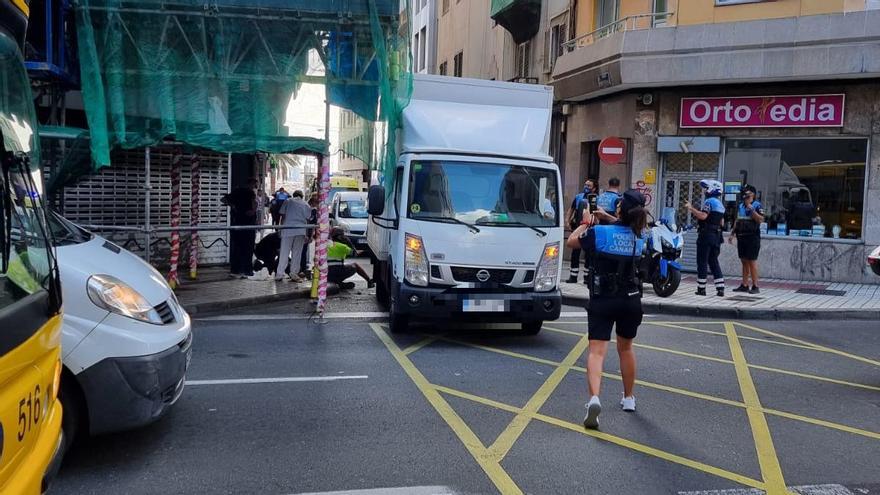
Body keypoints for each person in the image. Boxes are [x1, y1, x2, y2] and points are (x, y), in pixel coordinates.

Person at [566, 190, 648, 429]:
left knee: (597, 352)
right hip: (631, 300)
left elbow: (572, 242)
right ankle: (629, 398)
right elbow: (626, 228)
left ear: (620, 209)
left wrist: (585, 222)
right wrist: (609, 217)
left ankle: (594, 398)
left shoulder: (599, 232)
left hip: (603, 298)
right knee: (626, 348)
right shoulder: (638, 237)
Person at [686, 179, 726, 297]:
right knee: (713, 261)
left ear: (711, 189)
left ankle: (701, 289)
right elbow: (722, 223)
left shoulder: (709, 202)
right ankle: (720, 288)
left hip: (706, 235)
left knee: (702, 261)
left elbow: (703, 216)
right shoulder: (721, 205)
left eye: (706, 188)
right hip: (716, 236)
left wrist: (691, 208)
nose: (704, 191)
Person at [729, 185, 765, 294]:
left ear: (752, 195)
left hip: (752, 237)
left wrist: (752, 209)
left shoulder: (757, 205)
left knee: (752, 261)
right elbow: (737, 220)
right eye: (744, 195)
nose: (745, 196)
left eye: (747, 194)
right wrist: (732, 234)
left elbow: (761, 220)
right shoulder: (740, 206)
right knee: (744, 261)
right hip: (742, 236)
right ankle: (744, 285)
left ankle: (755, 286)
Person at [275, 190, 312, 282]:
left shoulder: (288, 201)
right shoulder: (306, 204)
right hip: (301, 230)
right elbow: (308, 220)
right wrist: (307, 234)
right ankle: (294, 273)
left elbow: (282, 216)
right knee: (297, 253)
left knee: (284, 252)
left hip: (288, 229)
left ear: (293, 195)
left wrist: (280, 229)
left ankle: (279, 274)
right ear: (302, 196)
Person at [225, 178, 258, 278]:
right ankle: (247, 270)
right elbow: (253, 205)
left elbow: (224, 199)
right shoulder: (250, 193)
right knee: (248, 248)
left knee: (237, 247)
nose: (255, 186)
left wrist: (234, 207)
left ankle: (235, 270)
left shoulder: (236, 191)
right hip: (248, 223)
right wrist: (253, 210)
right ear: (251, 183)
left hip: (237, 222)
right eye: (254, 184)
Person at [565, 178, 596, 284]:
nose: (586, 187)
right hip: (577, 228)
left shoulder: (593, 199)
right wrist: (567, 220)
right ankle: (573, 276)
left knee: (588, 253)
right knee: (575, 252)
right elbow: (572, 209)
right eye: (585, 185)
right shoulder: (578, 197)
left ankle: (587, 277)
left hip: (589, 228)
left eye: (589, 186)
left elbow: (594, 214)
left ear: (594, 188)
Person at [299, 194, 319, 278]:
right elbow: (311, 224)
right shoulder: (312, 211)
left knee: (302, 251)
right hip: (305, 233)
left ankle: (302, 268)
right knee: (303, 251)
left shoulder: (306, 208)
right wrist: (310, 236)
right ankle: (302, 268)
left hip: (303, 232)